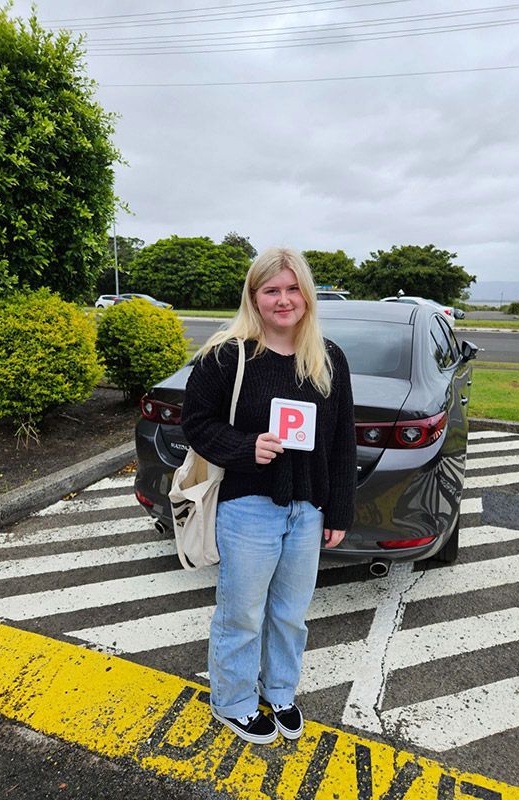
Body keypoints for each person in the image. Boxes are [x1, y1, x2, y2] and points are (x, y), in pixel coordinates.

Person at [180, 247, 357, 745]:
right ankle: (233, 700)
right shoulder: (227, 355)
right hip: (248, 504)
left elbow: (343, 438)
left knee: (290, 612)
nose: (284, 299)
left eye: (292, 288)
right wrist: (245, 448)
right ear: (254, 297)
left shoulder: (328, 359)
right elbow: (195, 423)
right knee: (241, 610)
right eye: (271, 290)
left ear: (307, 293)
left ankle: (279, 689)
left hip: (307, 509)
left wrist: (338, 508)